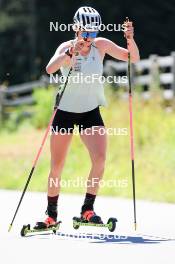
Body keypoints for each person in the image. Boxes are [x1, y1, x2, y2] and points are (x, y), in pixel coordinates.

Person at [35, 6, 140, 228]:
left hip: (90, 112)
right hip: (64, 113)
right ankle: (51, 213)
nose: (90, 37)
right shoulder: (67, 47)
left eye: (93, 32)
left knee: (100, 159)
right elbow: (50, 69)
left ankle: (87, 209)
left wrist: (130, 39)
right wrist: (69, 53)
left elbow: (133, 58)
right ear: (76, 28)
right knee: (57, 166)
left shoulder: (101, 45)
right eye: (86, 32)